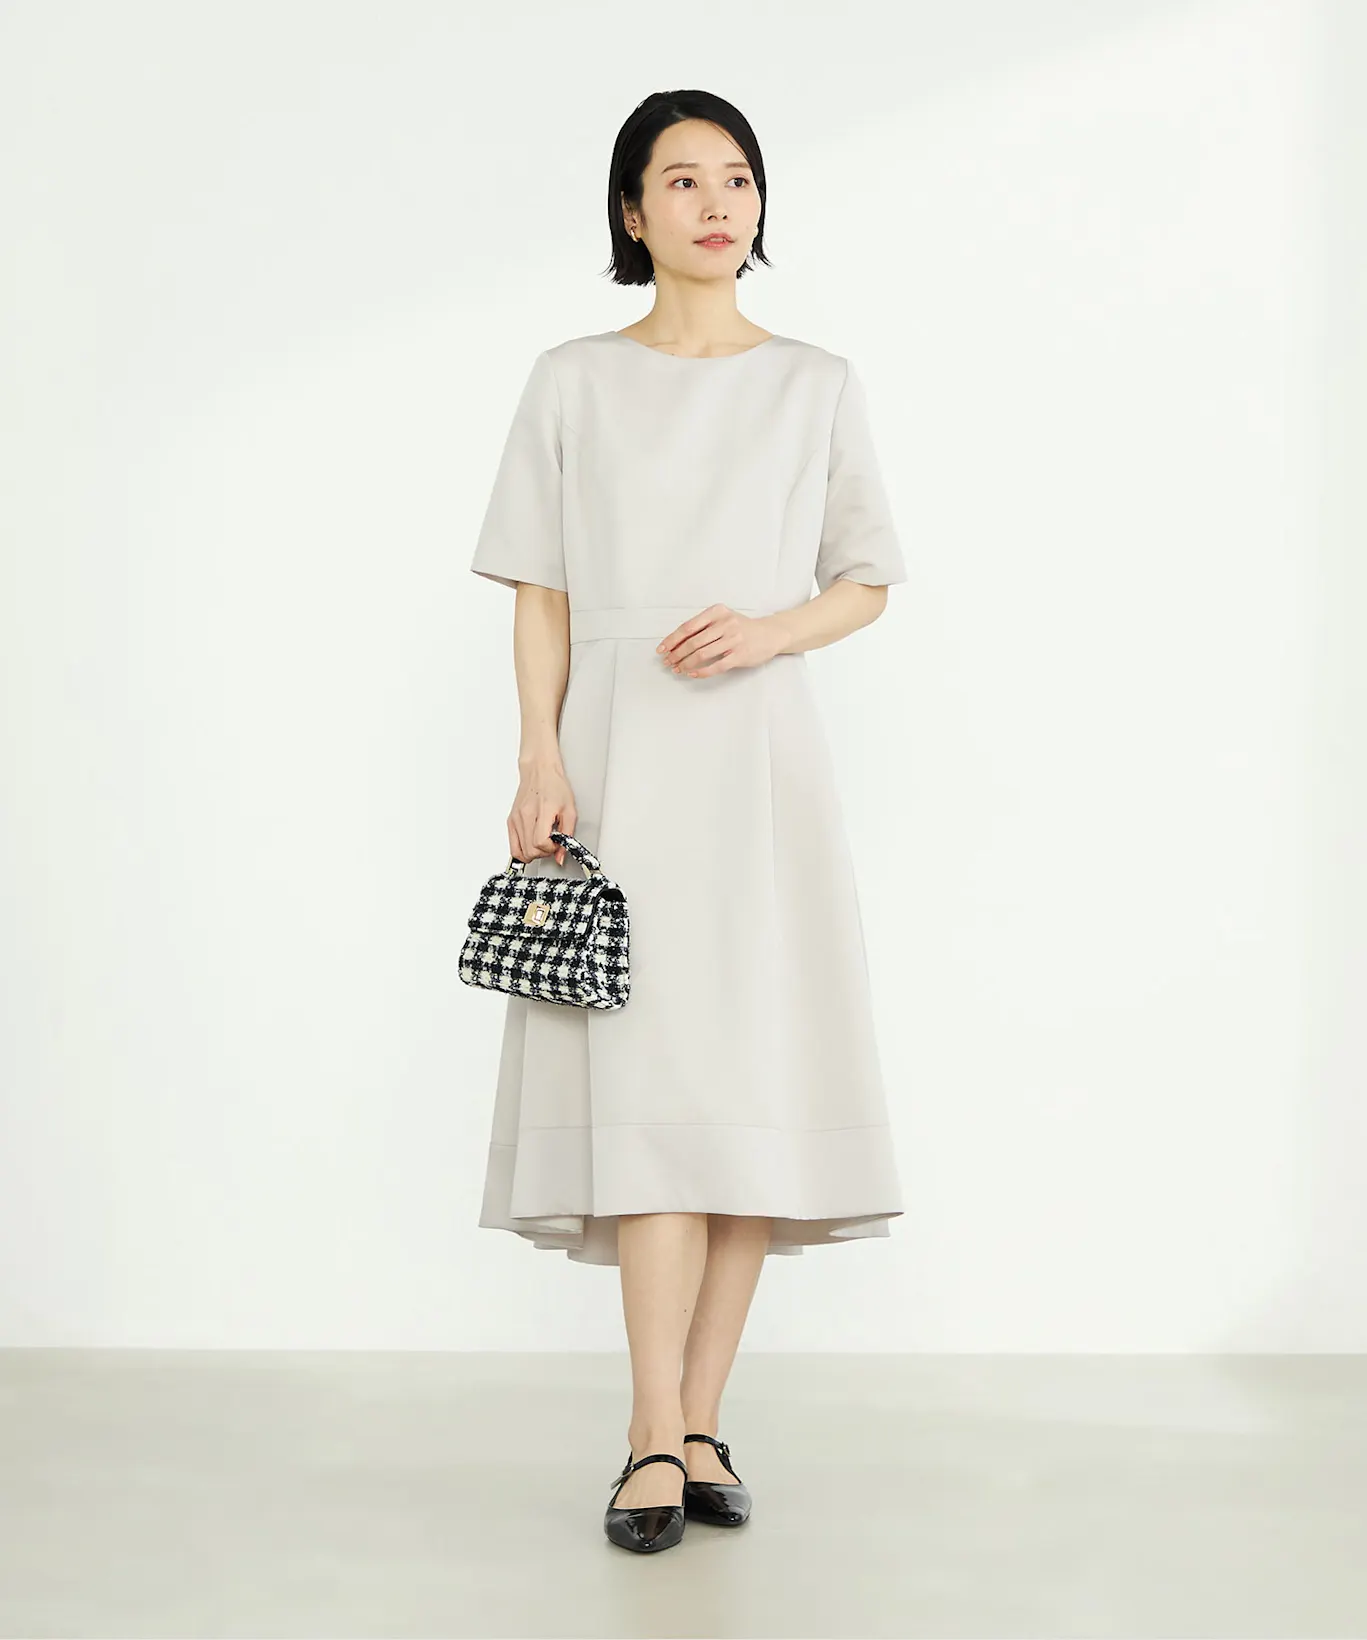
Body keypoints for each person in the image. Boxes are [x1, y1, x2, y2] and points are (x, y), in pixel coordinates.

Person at [468, 88, 908, 1554]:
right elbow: (539, 588)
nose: (718, 204)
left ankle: (699, 1424)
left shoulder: (814, 382)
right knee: (653, 1087)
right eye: (682, 180)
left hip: (757, 763)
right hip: (617, 748)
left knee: (743, 1089)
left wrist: (772, 630)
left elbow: (865, 578)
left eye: (738, 179)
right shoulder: (573, 380)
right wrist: (538, 756)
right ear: (630, 210)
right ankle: (650, 1433)